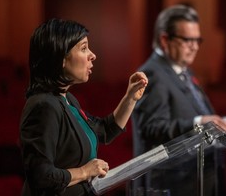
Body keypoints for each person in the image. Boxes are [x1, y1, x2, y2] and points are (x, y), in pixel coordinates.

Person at [131, 5, 226, 196]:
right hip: (173, 184)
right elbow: (151, 128)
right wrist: (199, 123)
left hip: (199, 179)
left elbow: (199, 115)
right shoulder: (152, 74)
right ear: (165, 39)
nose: (195, 46)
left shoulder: (184, 71)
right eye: (188, 40)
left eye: (197, 40)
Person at [19, 18, 148, 196]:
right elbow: (41, 176)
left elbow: (104, 130)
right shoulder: (43, 106)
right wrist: (85, 172)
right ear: (61, 58)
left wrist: (131, 97)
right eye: (83, 48)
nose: (92, 55)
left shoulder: (67, 99)